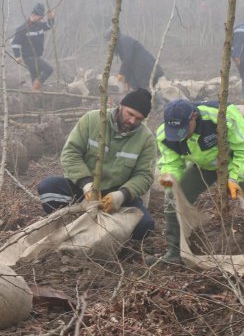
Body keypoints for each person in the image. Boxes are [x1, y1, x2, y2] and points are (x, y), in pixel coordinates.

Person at [148, 99, 244, 265]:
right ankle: (174, 253)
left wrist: (234, 177)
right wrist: (170, 176)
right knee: (173, 197)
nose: (179, 136)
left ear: (194, 117)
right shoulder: (165, 135)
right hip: (205, 165)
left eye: (183, 129)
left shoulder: (221, 115)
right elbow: (172, 162)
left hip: (240, 158)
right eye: (174, 131)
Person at [37, 88, 157, 240]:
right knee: (48, 188)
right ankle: (70, 223)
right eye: (130, 114)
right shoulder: (92, 120)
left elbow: (144, 175)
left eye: (139, 118)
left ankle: (110, 236)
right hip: (83, 190)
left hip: (117, 198)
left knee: (145, 226)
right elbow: (70, 153)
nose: (132, 121)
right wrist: (86, 184)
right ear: (120, 106)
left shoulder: (146, 139)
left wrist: (122, 195)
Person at [12, 3, 55, 91]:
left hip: (37, 57)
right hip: (29, 58)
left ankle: (34, 94)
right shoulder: (23, 28)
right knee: (49, 70)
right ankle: (37, 85)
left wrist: (51, 18)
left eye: (42, 18)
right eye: (39, 18)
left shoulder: (39, 25)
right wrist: (17, 56)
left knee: (35, 78)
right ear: (33, 15)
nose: (41, 20)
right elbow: (15, 43)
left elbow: (49, 25)